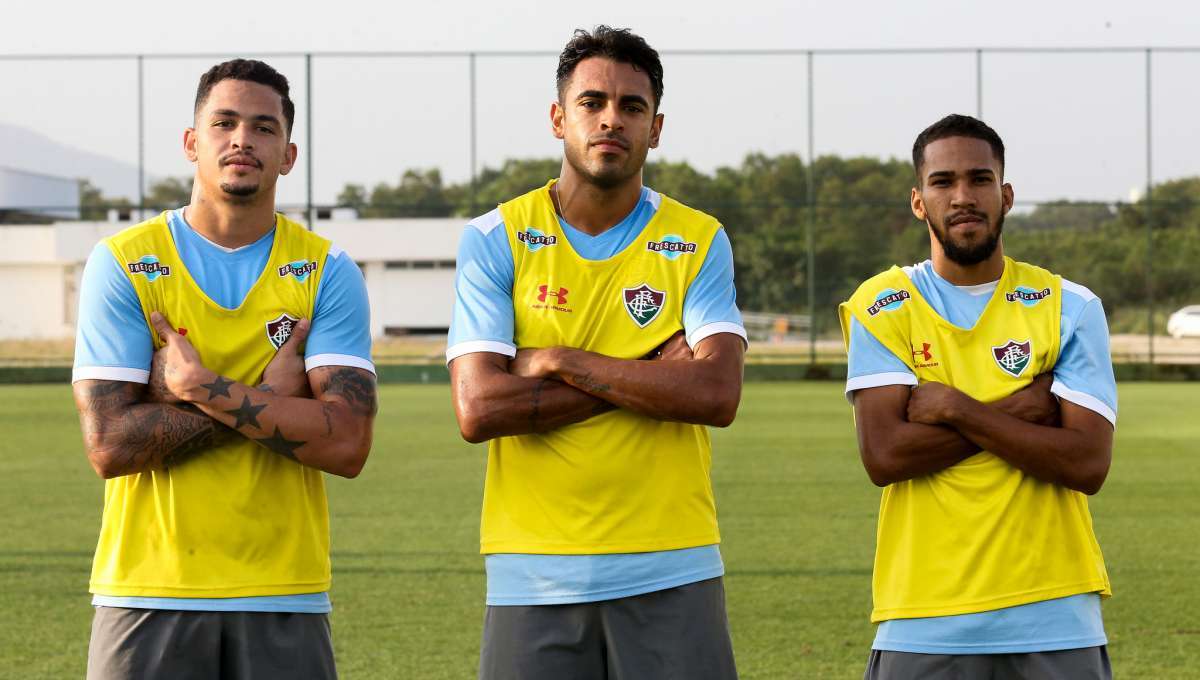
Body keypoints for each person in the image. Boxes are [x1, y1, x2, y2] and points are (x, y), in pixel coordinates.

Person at [448, 26, 747, 680]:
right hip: (532, 571)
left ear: (655, 129)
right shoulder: (496, 238)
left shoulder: (698, 239)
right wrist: (652, 376)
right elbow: (479, 409)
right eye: (592, 103)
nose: (612, 119)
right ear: (559, 118)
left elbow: (716, 394)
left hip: (673, 563)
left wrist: (561, 360)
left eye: (632, 107)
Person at [71, 59, 376, 680]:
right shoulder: (123, 262)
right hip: (147, 590)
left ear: (288, 155)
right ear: (192, 143)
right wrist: (266, 398)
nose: (242, 139)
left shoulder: (327, 270)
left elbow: (347, 443)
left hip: (283, 591)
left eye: (263, 128)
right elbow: (110, 444)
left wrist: (196, 389)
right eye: (224, 123)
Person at [840, 114, 1116, 679]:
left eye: (979, 179)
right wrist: (1019, 411)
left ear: (1006, 195)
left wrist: (955, 408)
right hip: (923, 615)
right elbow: (886, 456)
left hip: (1056, 613)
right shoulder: (882, 304)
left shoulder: (1069, 306)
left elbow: (1087, 463)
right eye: (943, 182)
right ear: (919, 202)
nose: (963, 196)